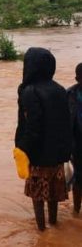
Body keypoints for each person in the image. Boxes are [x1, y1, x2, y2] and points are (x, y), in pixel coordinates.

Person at [15, 48, 72, 231]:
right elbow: (66, 122)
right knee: (53, 193)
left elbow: (32, 124)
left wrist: (22, 148)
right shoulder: (60, 89)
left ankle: (41, 231)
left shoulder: (29, 91)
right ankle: (53, 223)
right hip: (57, 152)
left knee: (37, 195)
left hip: (37, 152)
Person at [67, 62, 82, 213]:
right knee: (78, 179)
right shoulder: (69, 95)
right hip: (76, 144)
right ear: (77, 78)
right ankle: (76, 211)